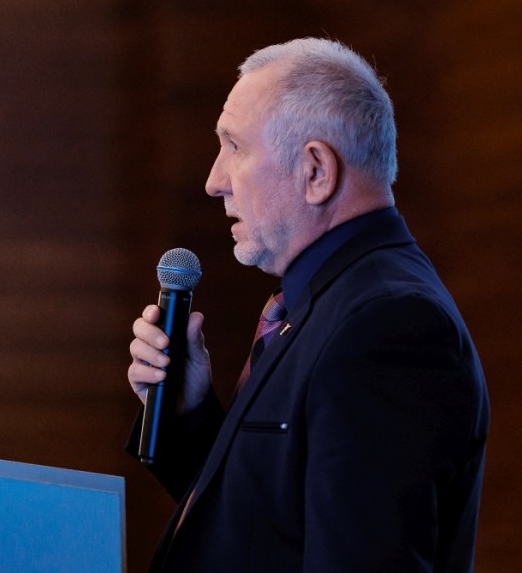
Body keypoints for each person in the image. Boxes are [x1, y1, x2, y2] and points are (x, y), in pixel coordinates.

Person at [126, 38, 490, 572]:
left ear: (316, 170)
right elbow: (272, 530)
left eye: (234, 147)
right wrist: (190, 413)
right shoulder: (329, 304)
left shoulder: (388, 326)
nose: (214, 182)